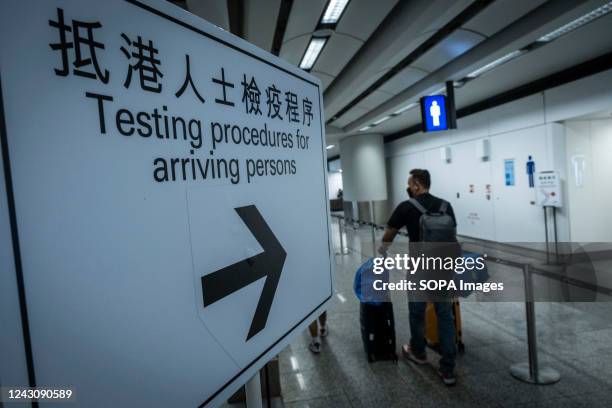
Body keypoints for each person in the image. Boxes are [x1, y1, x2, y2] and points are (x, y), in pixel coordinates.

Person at [380, 169, 458, 385]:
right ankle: (448, 369)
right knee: (445, 315)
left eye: (409, 184)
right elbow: (452, 233)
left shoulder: (407, 206)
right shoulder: (446, 205)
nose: (408, 188)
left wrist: (382, 250)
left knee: (416, 311)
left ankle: (419, 353)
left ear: (415, 185)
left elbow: (388, 235)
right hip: (443, 266)